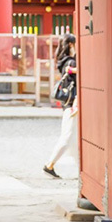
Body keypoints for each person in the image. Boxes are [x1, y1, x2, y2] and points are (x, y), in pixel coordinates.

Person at [44, 32, 78, 179]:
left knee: (73, 139)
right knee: (67, 137)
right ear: (71, 44)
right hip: (72, 104)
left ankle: (80, 169)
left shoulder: (64, 61)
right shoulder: (71, 62)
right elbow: (77, 74)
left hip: (68, 104)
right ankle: (49, 164)